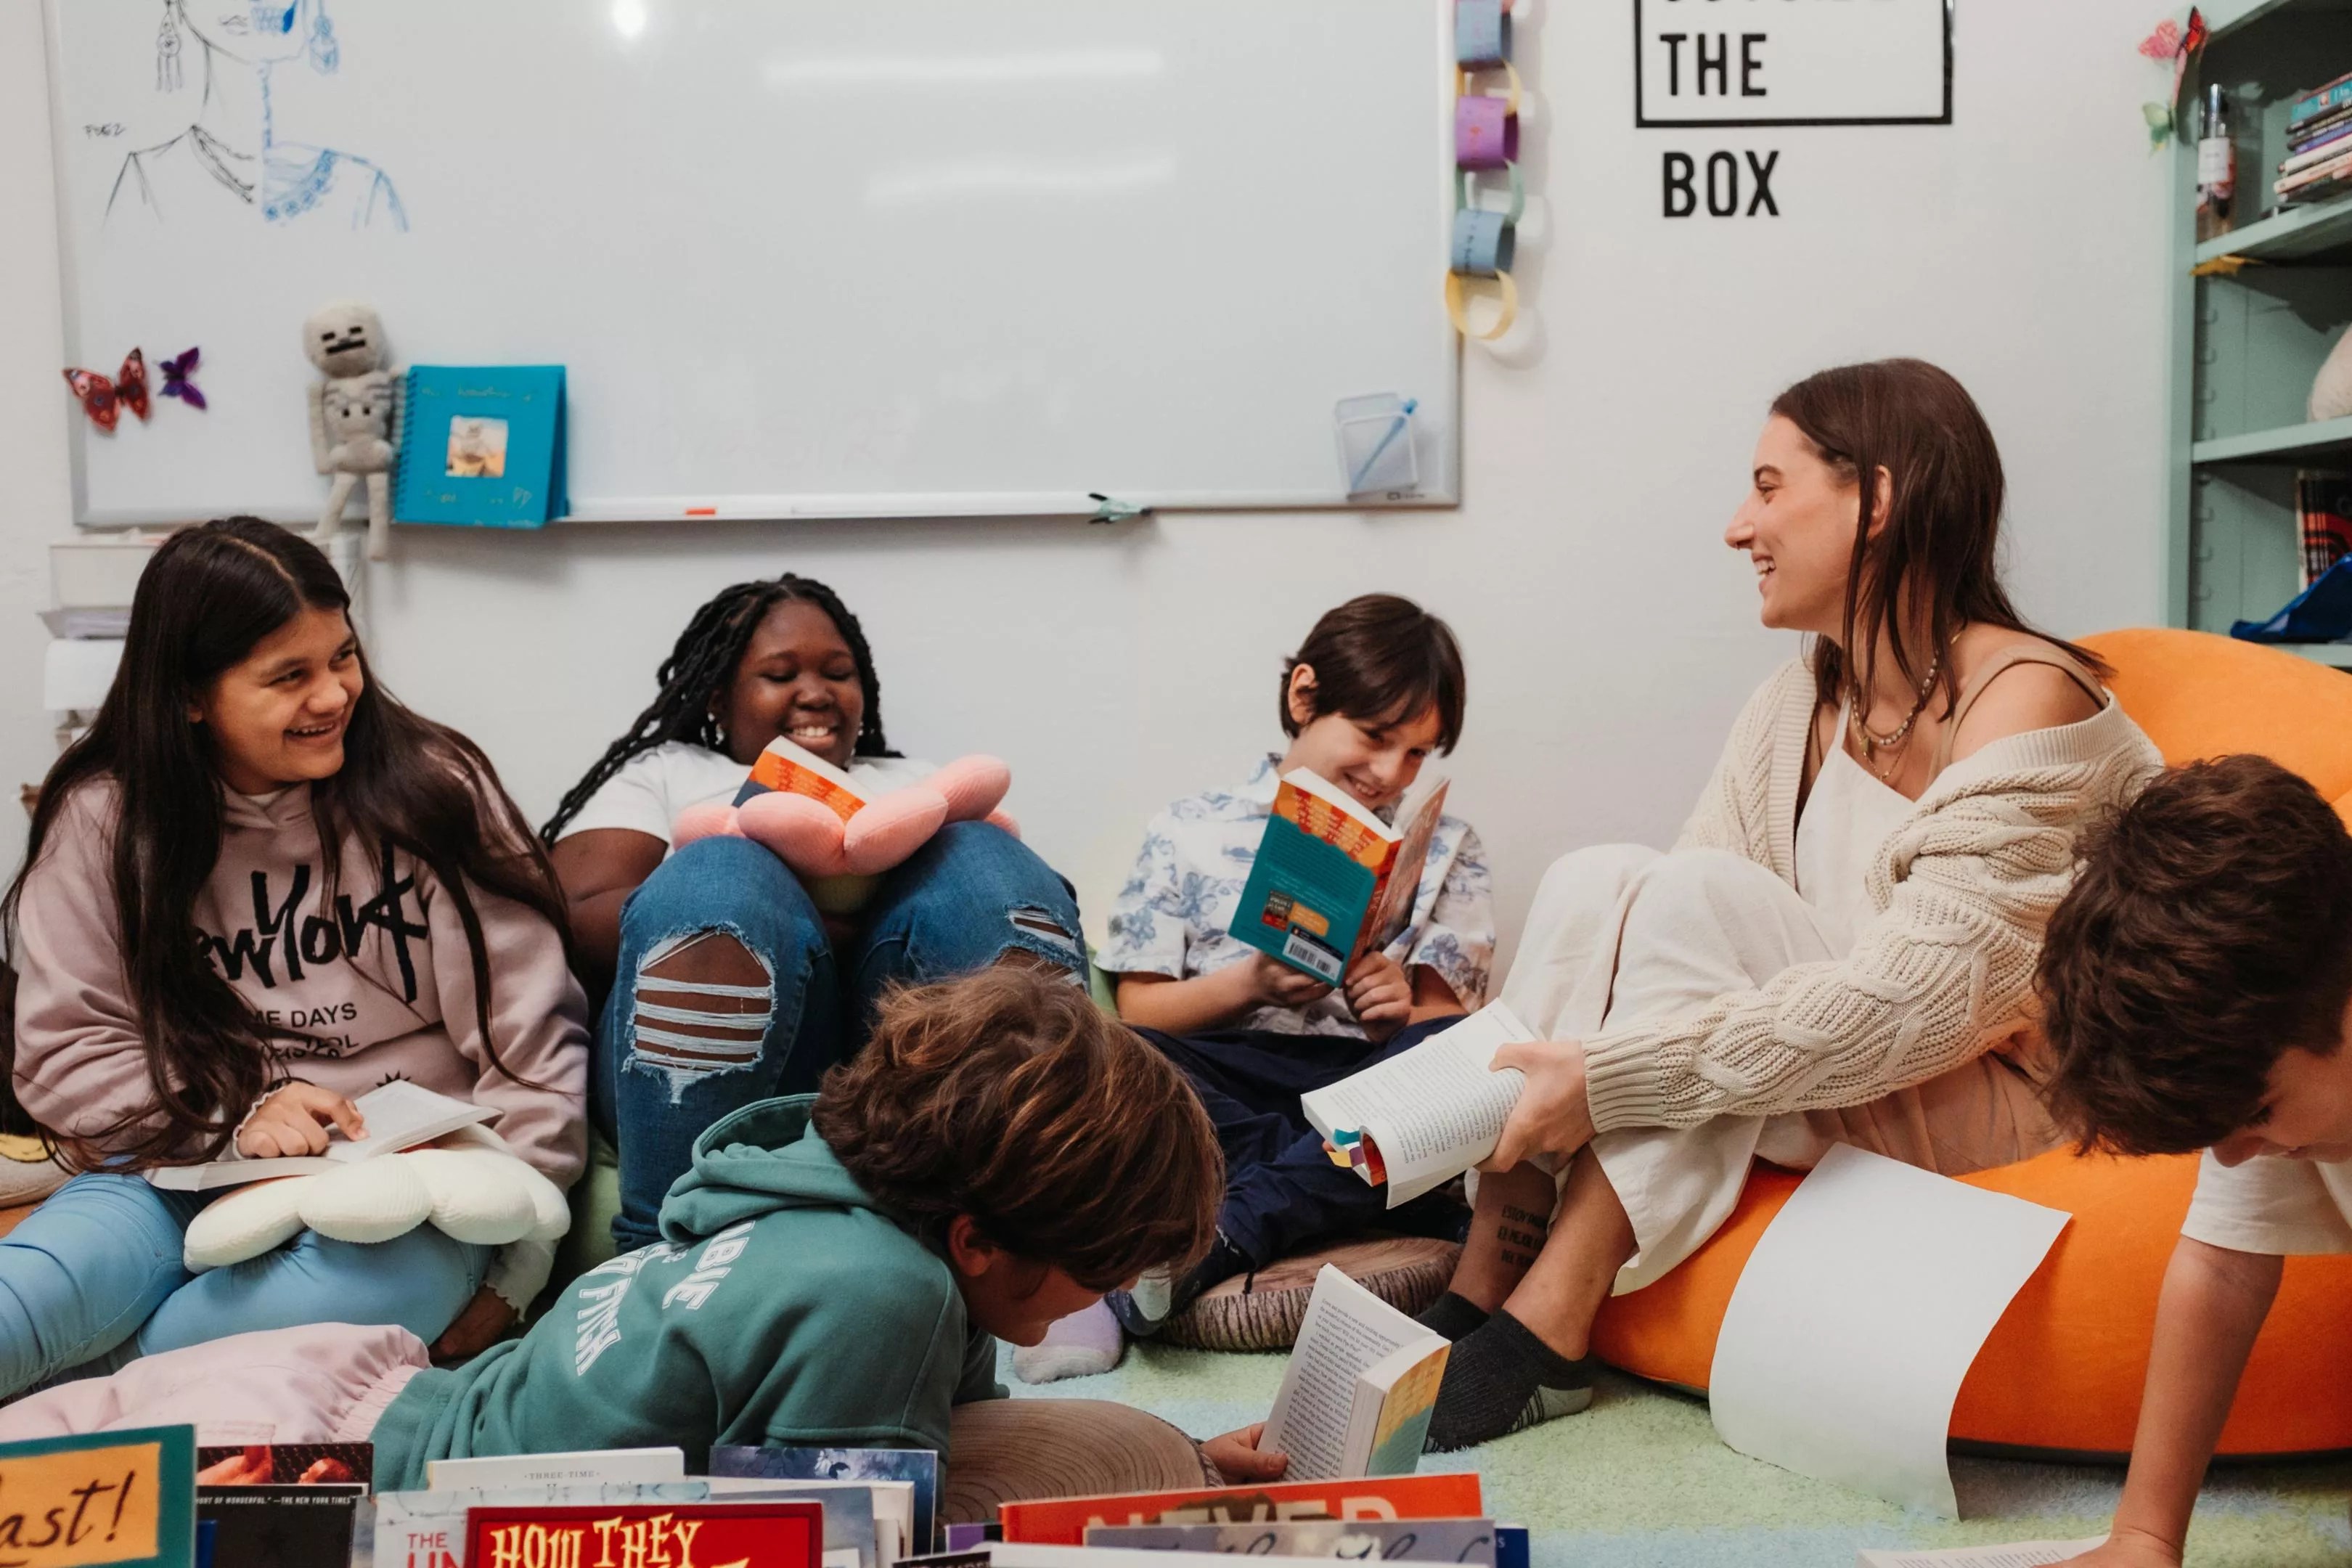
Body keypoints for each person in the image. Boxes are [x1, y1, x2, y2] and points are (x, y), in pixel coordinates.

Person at [1416, 359, 2162, 1450]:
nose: (1737, 527)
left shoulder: (2026, 695)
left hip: (1994, 1086)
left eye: (1769, 488)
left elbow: (1920, 1007)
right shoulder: (1801, 700)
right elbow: (1667, 923)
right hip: (1830, 1059)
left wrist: (1612, 1079)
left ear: (1880, 499)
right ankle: (1489, 1274)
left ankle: (1555, 1313)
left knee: (1694, 901)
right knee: (1601, 877)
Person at [0, 969, 1289, 1505]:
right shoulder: (879, 1299)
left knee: (1128, 1453)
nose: (1094, 1308)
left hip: (349, 1387)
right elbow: (850, 1542)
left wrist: (1180, 1458)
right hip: (318, 1473)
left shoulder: (816, 1172)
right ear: (975, 1242)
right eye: (1096, 1276)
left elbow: (957, 1425)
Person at [0, 518, 587, 1399]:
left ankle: (90, 1383)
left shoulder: (433, 795)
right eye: (289, 677)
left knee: (378, 1301)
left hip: (400, 1199)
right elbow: (67, 1049)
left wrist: (522, 1258)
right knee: (29, 1300)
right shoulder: (103, 820)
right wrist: (243, 1107)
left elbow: (529, 1044)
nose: (333, 696)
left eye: (342, 658)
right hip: (175, 1167)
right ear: (191, 696)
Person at [542, 574, 1087, 1252]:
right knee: (720, 869)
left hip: (894, 1047)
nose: (816, 692)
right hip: (717, 1041)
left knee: (979, 850)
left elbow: (1014, 900)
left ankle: (1046, 1231)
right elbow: (577, 912)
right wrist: (783, 891)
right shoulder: (667, 770)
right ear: (719, 698)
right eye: (779, 674)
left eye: (839, 672)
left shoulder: (911, 780)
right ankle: (664, 1257)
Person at [1092, 595, 1493, 1349]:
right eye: (1375, 737)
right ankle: (1343, 1183)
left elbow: (1446, 1035)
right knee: (1108, 1054)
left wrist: (1395, 1012)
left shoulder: (1449, 846)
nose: (1389, 773)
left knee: (1470, 1056)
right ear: (1304, 695)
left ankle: (1231, 1228)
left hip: (1368, 1078)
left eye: (1416, 753)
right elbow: (1139, 1012)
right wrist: (1252, 985)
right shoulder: (1190, 828)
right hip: (1229, 1083)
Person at [2032, 758, 2352, 1568]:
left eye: (2254, 1117)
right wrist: (2144, 1536)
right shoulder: (2275, 1041)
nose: (2237, 1157)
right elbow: (2223, 1272)